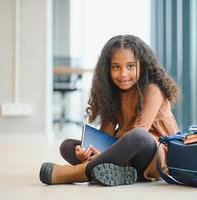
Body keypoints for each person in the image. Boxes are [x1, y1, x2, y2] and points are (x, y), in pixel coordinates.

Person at [39, 34, 180, 186]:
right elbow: (106, 133)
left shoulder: (153, 89)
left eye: (131, 66)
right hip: (123, 154)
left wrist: (104, 154)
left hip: (154, 156)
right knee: (67, 146)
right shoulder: (112, 93)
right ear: (107, 69)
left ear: (143, 65)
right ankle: (116, 171)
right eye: (116, 67)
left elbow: (140, 130)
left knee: (138, 136)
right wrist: (90, 151)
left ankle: (77, 173)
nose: (123, 74)